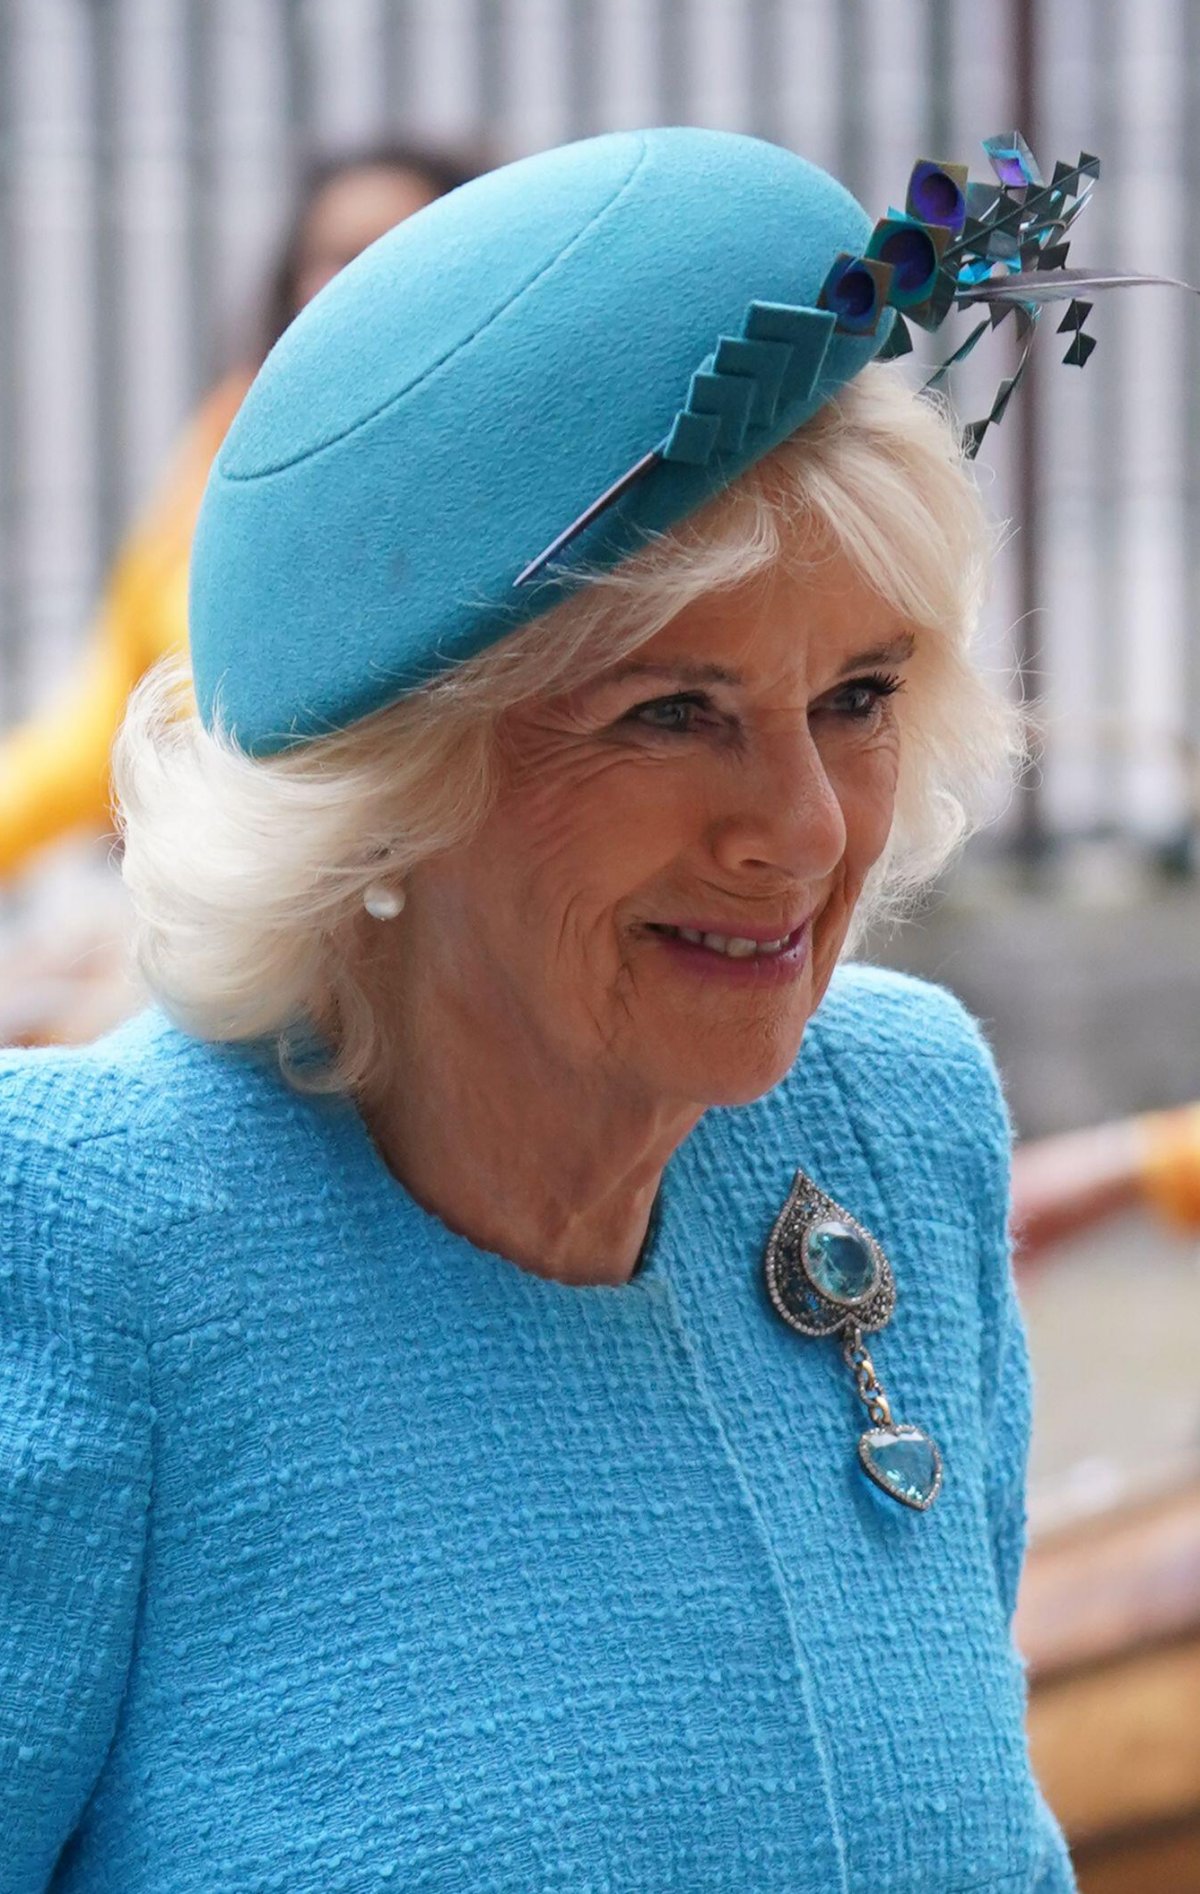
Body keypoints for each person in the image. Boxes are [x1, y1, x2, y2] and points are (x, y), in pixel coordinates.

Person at [0, 127, 1075, 1890]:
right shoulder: (89, 1240)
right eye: (674, 711)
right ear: (394, 781)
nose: (801, 828)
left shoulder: (896, 1122)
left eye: (859, 692)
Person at [0, 141, 480, 883]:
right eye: (331, 255)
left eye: (392, 250)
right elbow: (101, 721)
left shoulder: (487, 465)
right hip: (205, 891)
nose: (349, 283)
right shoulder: (224, 439)